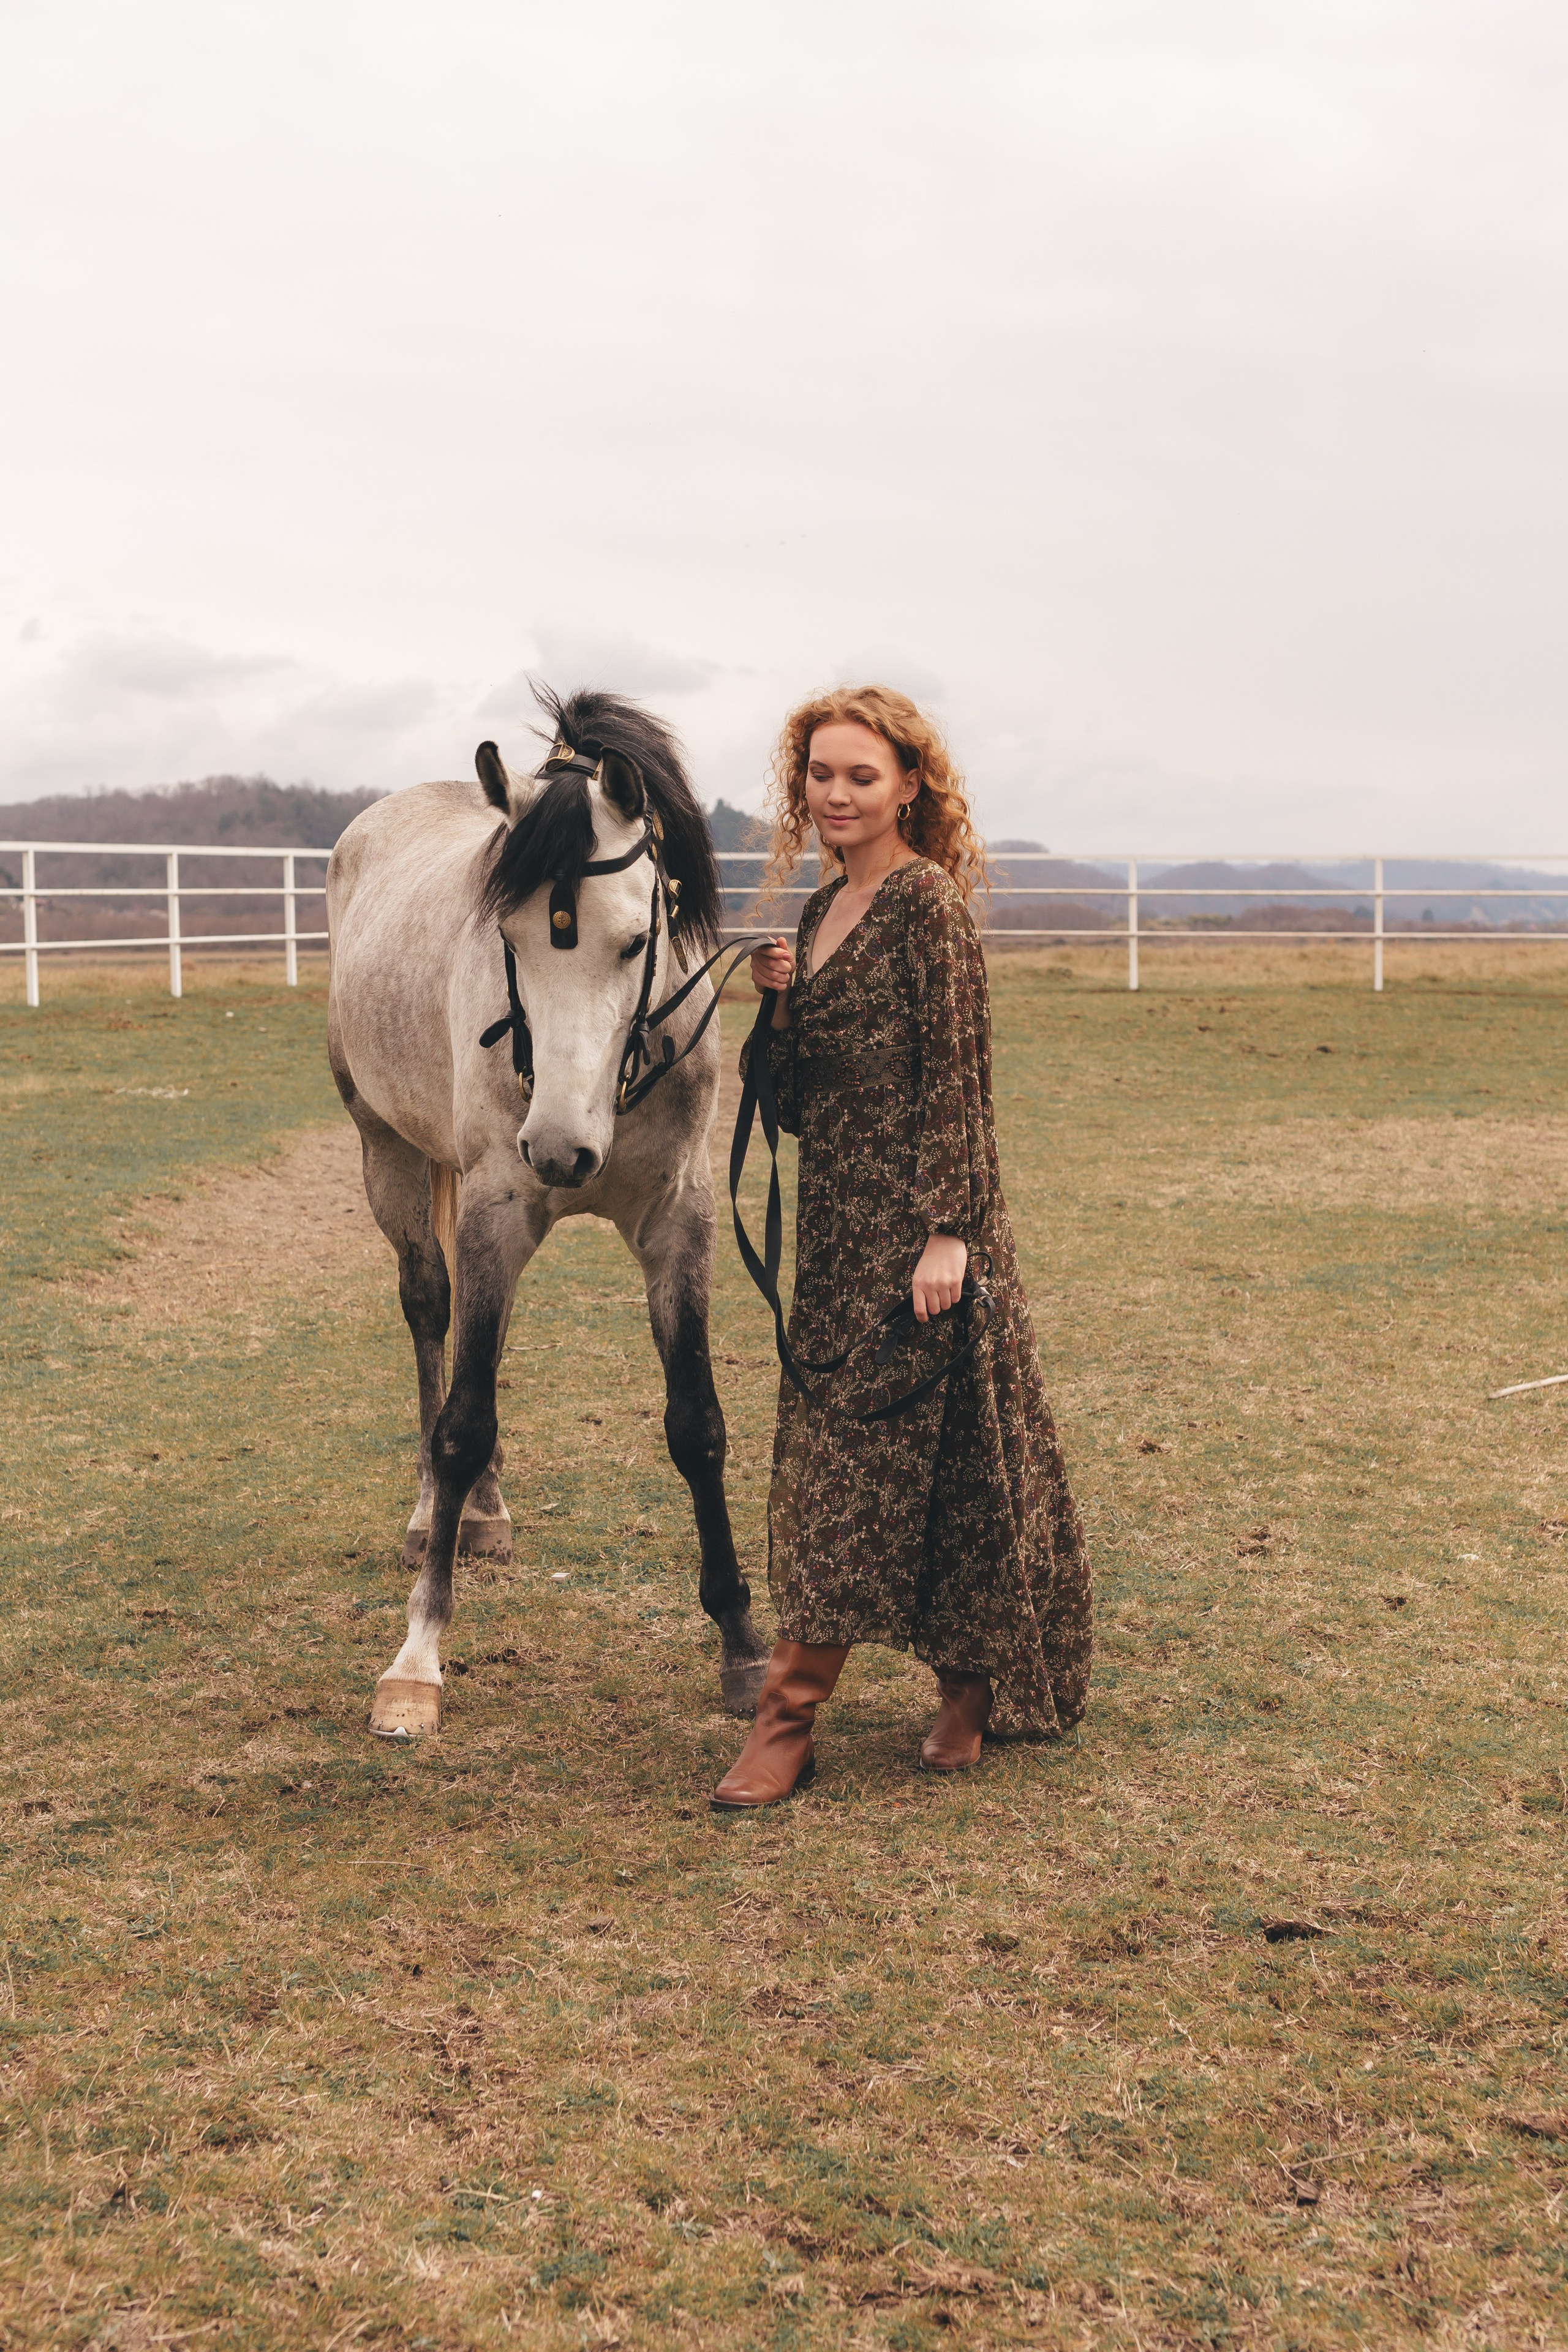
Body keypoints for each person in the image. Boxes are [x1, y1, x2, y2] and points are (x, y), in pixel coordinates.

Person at [712, 685, 1093, 1811]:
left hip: (925, 1236)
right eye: (820, 775)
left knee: (913, 1474)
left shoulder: (929, 907)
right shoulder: (820, 911)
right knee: (911, 1473)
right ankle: (961, 1686)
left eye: (861, 776)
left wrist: (949, 1233)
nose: (836, 794)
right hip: (835, 1237)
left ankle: (792, 1722)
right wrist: (780, 1009)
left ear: (909, 785)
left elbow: (960, 1078)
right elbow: (790, 1109)